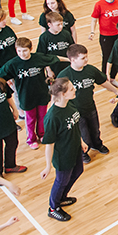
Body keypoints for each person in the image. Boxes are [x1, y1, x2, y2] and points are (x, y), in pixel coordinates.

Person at [0, 38, 62, 150]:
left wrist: (71, 59)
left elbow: (54, 58)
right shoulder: (13, 64)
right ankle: (31, 139)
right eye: (19, 51)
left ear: (30, 49)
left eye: (25, 50)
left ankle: (42, 134)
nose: (22, 53)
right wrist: (6, 82)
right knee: (30, 119)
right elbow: (0, 75)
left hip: (41, 93)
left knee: (42, 116)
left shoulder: (39, 58)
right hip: (26, 96)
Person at [58, 44, 118, 164]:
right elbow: (58, 97)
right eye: (83, 58)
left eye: (86, 57)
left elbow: (102, 82)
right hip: (75, 111)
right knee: (83, 134)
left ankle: (97, 145)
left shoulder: (90, 70)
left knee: (95, 130)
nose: (86, 60)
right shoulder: (64, 76)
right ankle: (83, 152)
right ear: (72, 59)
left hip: (90, 107)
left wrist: (116, 91)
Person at [40, 77, 87, 222]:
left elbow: (75, 126)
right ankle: (53, 208)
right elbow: (49, 144)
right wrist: (48, 166)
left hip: (74, 148)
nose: (75, 90)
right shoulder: (52, 117)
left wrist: (81, 141)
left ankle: (61, 198)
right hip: (63, 155)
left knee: (78, 171)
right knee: (61, 181)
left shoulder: (70, 104)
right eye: (71, 89)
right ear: (62, 94)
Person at [0, 65, 25, 175]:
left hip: (7, 122)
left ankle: (10, 166)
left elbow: (8, 96)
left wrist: (15, 110)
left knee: (13, 143)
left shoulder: (0, 83)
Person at [37, 12, 74, 76]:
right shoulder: (44, 37)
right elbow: (42, 55)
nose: (61, 26)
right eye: (58, 25)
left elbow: (72, 49)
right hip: (53, 68)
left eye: (61, 24)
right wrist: (48, 70)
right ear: (49, 25)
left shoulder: (66, 34)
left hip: (67, 65)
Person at [0, 7, 18, 73]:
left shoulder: (7, 28)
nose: (5, 21)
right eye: (2, 20)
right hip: (5, 69)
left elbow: (17, 44)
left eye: (4, 19)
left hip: (15, 64)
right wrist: (0, 74)